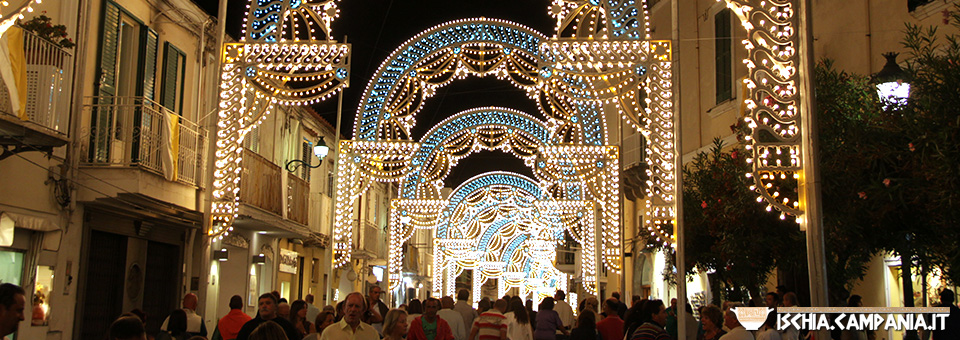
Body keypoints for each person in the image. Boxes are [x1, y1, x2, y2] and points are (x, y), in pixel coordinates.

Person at [236, 293, 302, 340]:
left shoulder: (286, 325)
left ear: (275, 306)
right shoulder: (249, 326)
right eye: (261, 304)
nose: (264, 306)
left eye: (268, 303)